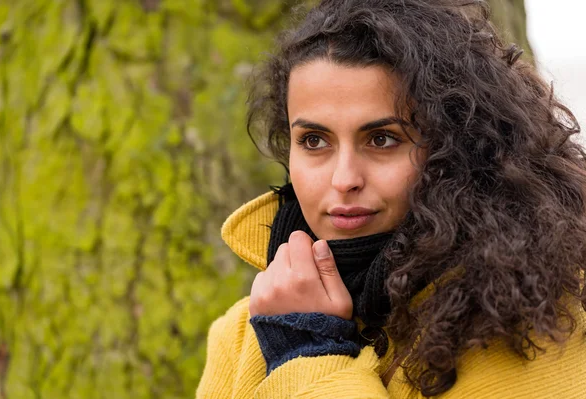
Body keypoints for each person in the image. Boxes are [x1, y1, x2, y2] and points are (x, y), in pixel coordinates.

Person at [196, 0, 586, 397]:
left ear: (458, 148)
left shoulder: (529, 315)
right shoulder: (246, 329)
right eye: (314, 141)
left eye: (382, 139)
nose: (344, 178)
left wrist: (308, 352)